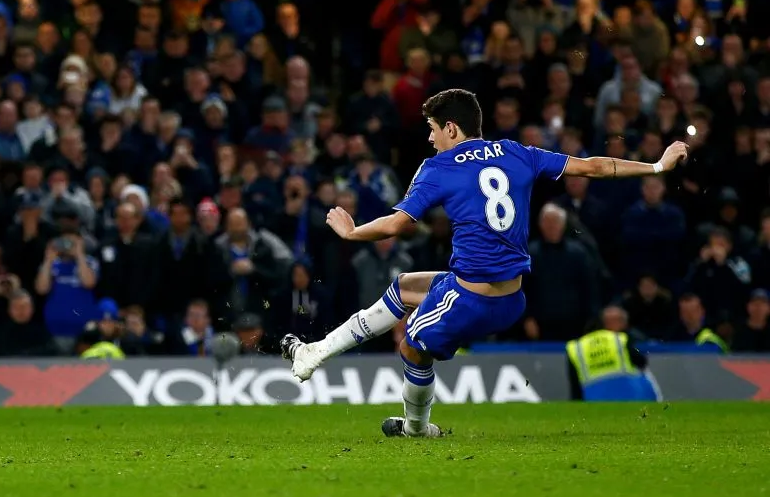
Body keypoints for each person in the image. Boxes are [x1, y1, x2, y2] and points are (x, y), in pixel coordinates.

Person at [281, 88, 689, 438]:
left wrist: (352, 232)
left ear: (452, 129)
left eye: (433, 128)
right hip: (511, 297)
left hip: (472, 299)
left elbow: (397, 224)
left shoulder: (438, 168)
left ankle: (416, 429)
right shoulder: (517, 152)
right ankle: (314, 353)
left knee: (411, 347)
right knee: (404, 287)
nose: (430, 137)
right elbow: (594, 166)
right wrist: (657, 165)